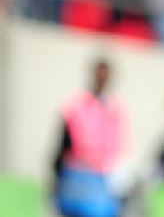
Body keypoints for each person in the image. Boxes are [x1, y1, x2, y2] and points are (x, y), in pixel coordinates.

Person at [52, 58, 130, 217]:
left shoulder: (115, 106)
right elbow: (65, 141)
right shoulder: (76, 102)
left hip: (105, 175)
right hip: (78, 171)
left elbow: (120, 143)